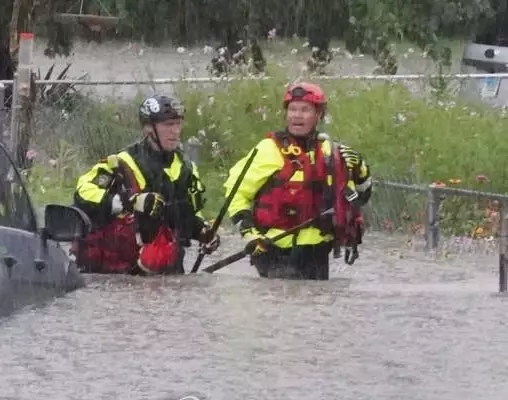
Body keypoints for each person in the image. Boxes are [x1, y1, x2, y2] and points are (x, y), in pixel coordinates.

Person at [222, 81, 373, 280]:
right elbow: (235, 193)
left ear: (319, 115)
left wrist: (360, 169)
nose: (297, 115)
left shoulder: (330, 152)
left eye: (305, 110)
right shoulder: (269, 149)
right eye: (292, 109)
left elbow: (360, 197)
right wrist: (250, 233)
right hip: (274, 250)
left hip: (317, 252)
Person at [71, 94, 221, 275]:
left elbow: (183, 218)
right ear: (148, 128)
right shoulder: (122, 163)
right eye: (167, 125)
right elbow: (82, 193)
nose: (175, 131)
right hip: (123, 275)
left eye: (178, 124)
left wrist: (202, 232)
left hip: (168, 271)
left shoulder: (186, 168)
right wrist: (129, 202)